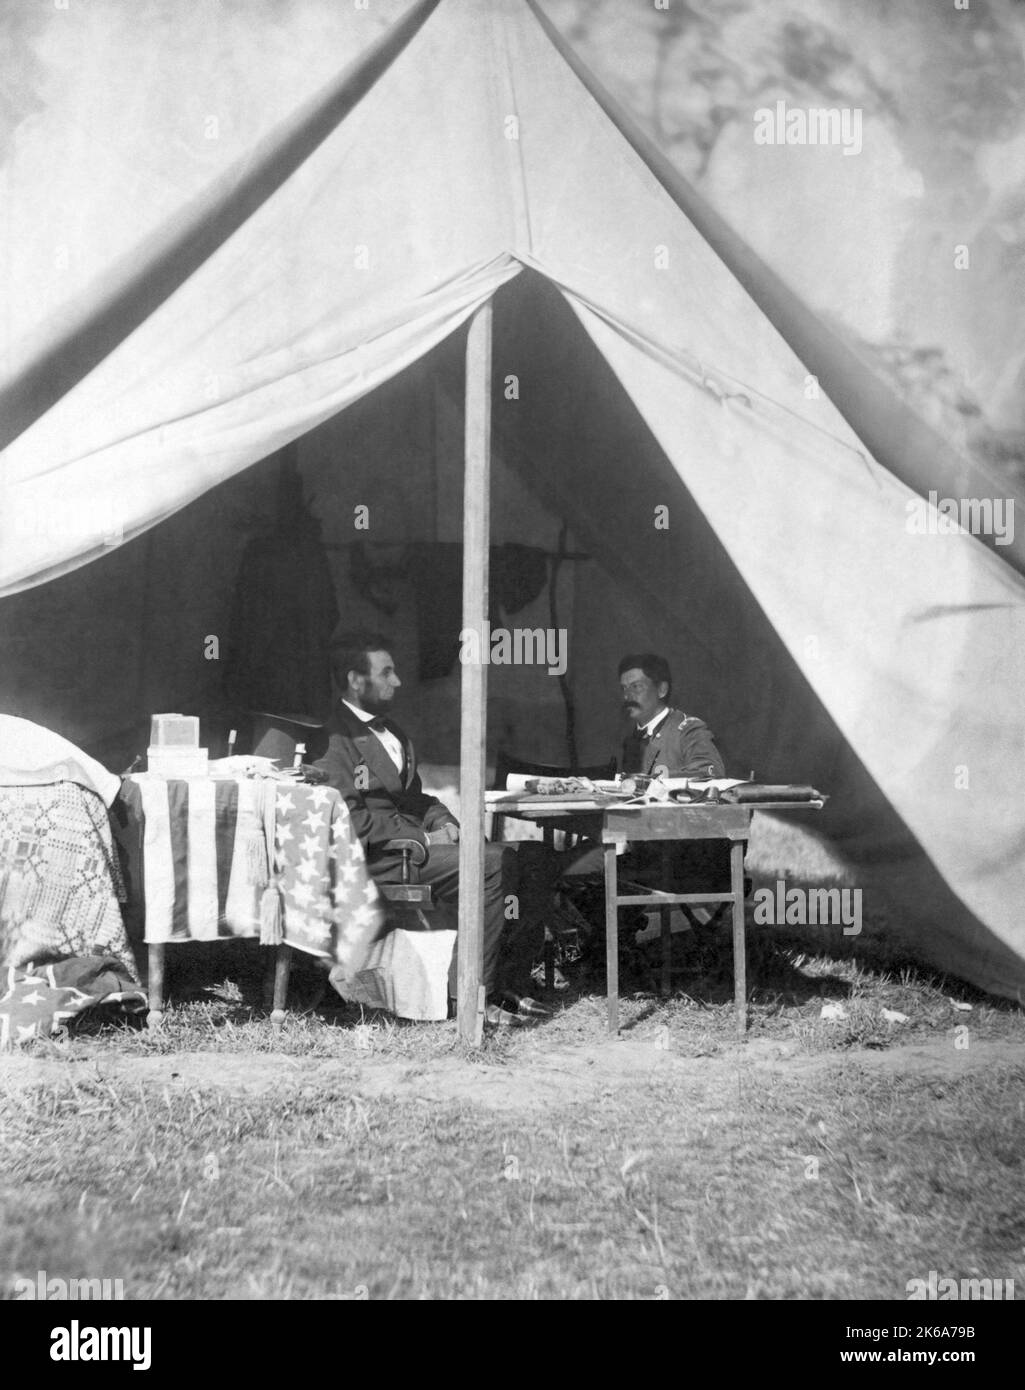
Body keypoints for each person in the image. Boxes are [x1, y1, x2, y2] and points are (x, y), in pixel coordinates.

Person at [314, 632, 546, 1024]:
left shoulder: (395, 733)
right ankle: (469, 996)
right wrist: (423, 837)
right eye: (386, 673)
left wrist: (444, 822)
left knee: (535, 858)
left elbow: (417, 799)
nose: (397, 681)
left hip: (413, 849)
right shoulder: (333, 737)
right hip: (379, 859)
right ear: (356, 680)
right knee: (493, 863)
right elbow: (349, 820)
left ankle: (509, 982)